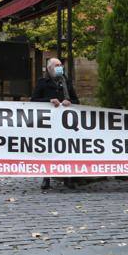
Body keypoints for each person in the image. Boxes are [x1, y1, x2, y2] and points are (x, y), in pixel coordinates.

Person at [31, 58, 78, 190]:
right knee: (49, 151)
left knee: (67, 150)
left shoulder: (66, 82)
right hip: (49, 123)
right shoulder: (42, 82)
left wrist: (70, 102)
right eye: (57, 65)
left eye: (60, 65)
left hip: (66, 123)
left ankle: (68, 178)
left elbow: (76, 100)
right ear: (49, 68)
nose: (60, 67)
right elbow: (34, 100)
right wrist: (49, 101)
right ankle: (46, 178)